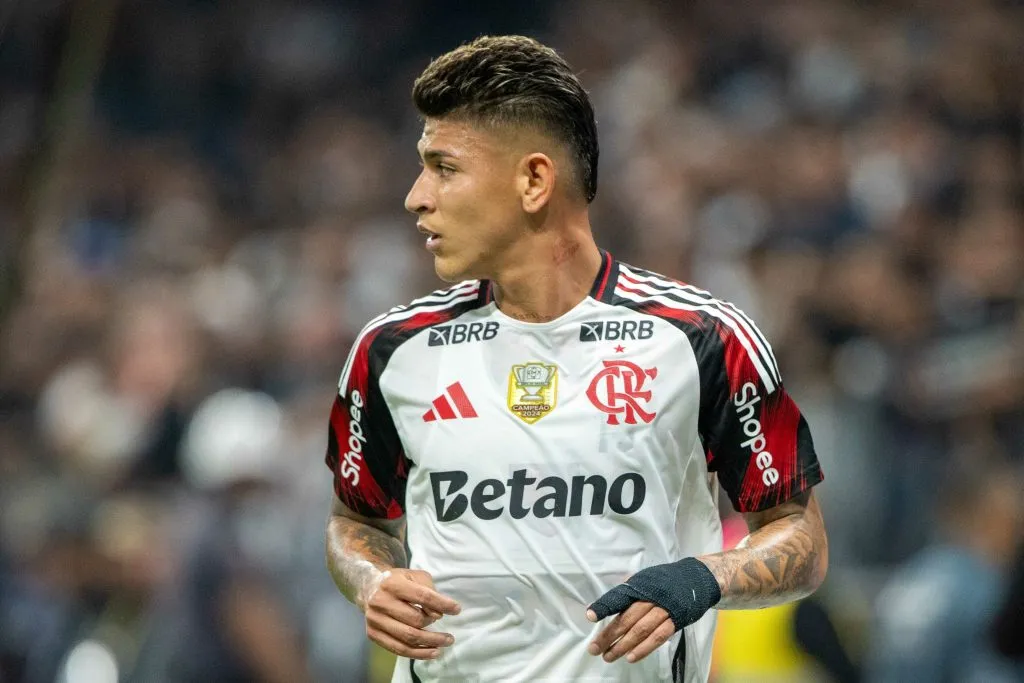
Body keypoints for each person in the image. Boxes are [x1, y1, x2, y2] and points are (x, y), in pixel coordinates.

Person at [324, 35, 827, 683]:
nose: (417, 196)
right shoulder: (390, 349)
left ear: (534, 180)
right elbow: (354, 520)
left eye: (444, 167)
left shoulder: (705, 339)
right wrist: (374, 577)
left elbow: (801, 536)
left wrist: (707, 576)